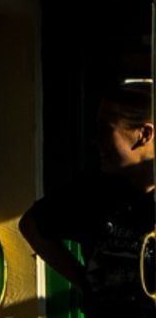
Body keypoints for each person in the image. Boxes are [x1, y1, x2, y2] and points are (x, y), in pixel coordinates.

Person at [20, 80, 156, 317]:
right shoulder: (95, 191)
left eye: (106, 130)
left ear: (144, 134)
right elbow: (32, 225)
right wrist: (85, 282)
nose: (96, 141)